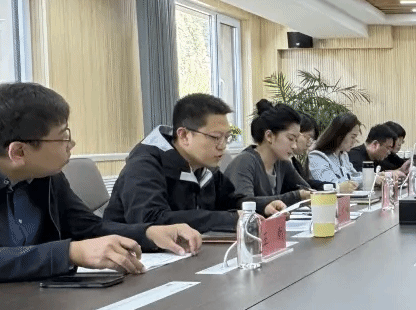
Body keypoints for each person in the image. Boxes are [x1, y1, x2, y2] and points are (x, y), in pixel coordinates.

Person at [0, 83, 202, 285]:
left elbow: (87, 228)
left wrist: (149, 233)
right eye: (63, 136)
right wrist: (68, 253)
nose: (71, 143)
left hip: (38, 300)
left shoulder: (44, 174)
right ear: (18, 151)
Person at [105, 93, 285, 234]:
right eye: (215, 137)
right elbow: (152, 220)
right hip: (137, 259)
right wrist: (229, 219)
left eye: (226, 137)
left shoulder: (204, 167)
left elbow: (230, 201)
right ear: (184, 135)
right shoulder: (144, 165)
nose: (222, 146)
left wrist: (260, 207)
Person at [224, 100, 312, 208]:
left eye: (296, 140)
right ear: (269, 136)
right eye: (290, 138)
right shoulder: (245, 162)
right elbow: (244, 203)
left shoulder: (282, 163)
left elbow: (305, 189)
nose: (294, 146)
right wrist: (296, 196)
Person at [308, 112, 362, 192]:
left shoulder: (343, 155)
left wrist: (373, 177)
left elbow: (355, 175)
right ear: (340, 135)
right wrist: (355, 181)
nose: (354, 141)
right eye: (352, 137)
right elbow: (332, 184)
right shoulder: (317, 156)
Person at [292, 111, 325, 190]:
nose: (309, 144)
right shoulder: (280, 162)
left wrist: (336, 186)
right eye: (308, 138)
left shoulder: (295, 163)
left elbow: (307, 183)